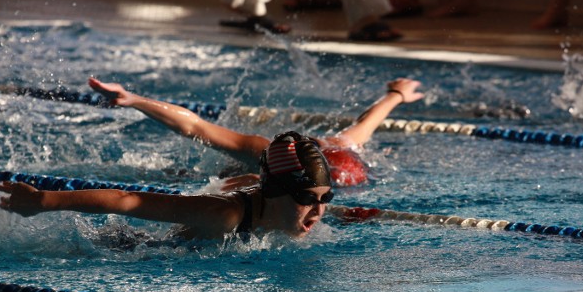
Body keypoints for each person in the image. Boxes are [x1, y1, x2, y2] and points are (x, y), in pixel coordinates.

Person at [86, 77, 424, 188]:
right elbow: (195, 126)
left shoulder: (342, 148)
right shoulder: (267, 151)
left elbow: (369, 120)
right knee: (197, 180)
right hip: (246, 179)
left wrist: (396, 94)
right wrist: (134, 100)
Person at [0, 131, 333, 241]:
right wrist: (44, 200)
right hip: (136, 252)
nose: (319, 211)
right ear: (275, 192)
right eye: (306, 198)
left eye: (325, 198)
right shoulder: (225, 215)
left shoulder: (291, 213)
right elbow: (126, 201)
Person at [219, 0, 291, 34]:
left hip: (257, 18)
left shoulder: (268, 24)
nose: (283, 26)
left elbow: (233, 5)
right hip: (257, 17)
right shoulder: (268, 22)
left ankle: (224, 23)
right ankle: (224, 23)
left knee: (241, 24)